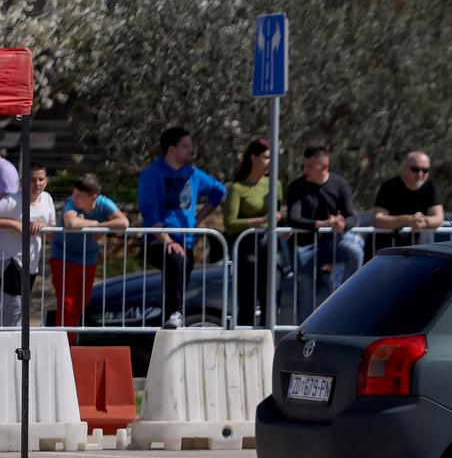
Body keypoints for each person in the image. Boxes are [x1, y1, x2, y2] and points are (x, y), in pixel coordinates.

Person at [137, 126, 226, 329]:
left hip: (185, 241)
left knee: (181, 274)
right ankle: (173, 315)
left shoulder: (192, 173)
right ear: (171, 149)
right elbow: (149, 211)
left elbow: (218, 191)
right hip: (158, 241)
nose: (190, 151)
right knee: (175, 261)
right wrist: (167, 240)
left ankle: (174, 319)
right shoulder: (152, 174)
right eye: (185, 146)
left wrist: (198, 218)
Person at [285, 146, 363, 320]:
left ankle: (347, 297)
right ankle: (303, 335)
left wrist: (342, 224)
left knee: (355, 253)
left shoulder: (339, 184)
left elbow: (352, 217)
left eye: (310, 166)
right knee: (306, 294)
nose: (305, 171)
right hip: (304, 245)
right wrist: (322, 224)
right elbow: (293, 218)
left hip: (331, 243)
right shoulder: (297, 186)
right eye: (303, 166)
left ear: (324, 167)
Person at [50, 172, 128, 340]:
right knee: (67, 303)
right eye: (74, 193)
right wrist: (94, 224)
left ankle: (71, 339)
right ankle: (63, 344)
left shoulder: (104, 203)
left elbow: (123, 223)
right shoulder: (71, 203)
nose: (74, 197)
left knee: (81, 303)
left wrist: (99, 226)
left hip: (88, 259)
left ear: (93, 197)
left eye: (80, 196)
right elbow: (71, 223)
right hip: (63, 256)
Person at [224, 138, 283, 328]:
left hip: (271, 248)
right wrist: (261, 221)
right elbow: (230, 223)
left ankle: (269, 341)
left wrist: (283, 221)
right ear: (253, 157)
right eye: (266, 157)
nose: (270, 162)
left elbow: (281, 212)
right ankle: (243, 339)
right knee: (248, 299)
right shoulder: (238, 188)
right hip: (248, 249)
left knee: (271, 299)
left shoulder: (276, 184)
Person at [0, 163, 56, 328]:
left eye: (40, 179)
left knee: (19, 309)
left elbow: (52, 231)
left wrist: (43, 224)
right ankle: (9, 350)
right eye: (32, 180)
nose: (37, 183)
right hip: (10, 262)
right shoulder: (12, 201)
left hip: (31, 265)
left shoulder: (47, 199)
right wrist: (14, 224)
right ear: (23, 182)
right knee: (14, 311)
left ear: (46, 181)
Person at [373, 151, 445, 252]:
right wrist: (407, 220)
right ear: (404, 167)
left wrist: (422, 221)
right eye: (415, 169)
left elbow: (439, 218)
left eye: (425, 170)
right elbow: (378, 219)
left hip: (419, 249)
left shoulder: (431, 186)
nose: (420, 174)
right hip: (387, 248)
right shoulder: (388, 187)